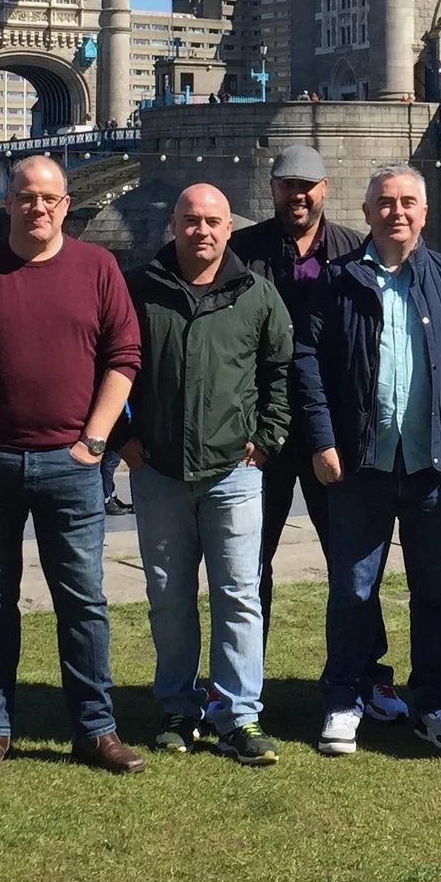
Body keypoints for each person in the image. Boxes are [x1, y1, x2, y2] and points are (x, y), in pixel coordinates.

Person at [0, 155, 145, 781]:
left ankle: (95, 729)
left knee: (84, 601)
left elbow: (124, 357)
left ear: (66, 205)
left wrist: (95, 442)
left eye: (49, 198)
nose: (38, 208)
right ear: (8, 203)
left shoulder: (98, 267)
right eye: (26, 197)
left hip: (71, 465)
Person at [295, 164, 441, 757]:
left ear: (426, 213)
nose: (397, 212)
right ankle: (343, 699)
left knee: (436, 591)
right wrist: (322, 439)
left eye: (409, 202)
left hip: (436, 467)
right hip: (360, 466)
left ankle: (433, 702)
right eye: (385, 202)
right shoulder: (337, 280)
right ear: (366, 211)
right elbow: (307, 361)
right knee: (353, 591)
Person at [118, 184, 294, 765]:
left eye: (214, 222)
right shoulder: (139, 289)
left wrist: (267, 440)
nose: (203, 231)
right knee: (168, 597)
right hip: (159, 470)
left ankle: (239, 715)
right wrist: (123, 438)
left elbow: (281, 372)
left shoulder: (256, 295)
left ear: (229, 228)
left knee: (239, 595)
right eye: (191, 220)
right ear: (174, 223)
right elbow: (107, 365)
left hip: (234, 473)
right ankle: (177, 706)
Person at [231, 144, 402, 724]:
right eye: (286, 186)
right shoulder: (242, 251)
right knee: (249, 565)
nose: (297, 196)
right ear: (273, 189)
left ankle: (367, 675)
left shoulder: (355, 249)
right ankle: (240, 684)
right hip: (263, 434)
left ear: (325, 188)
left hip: (334, 432)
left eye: (307, 186)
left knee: (352, 563)